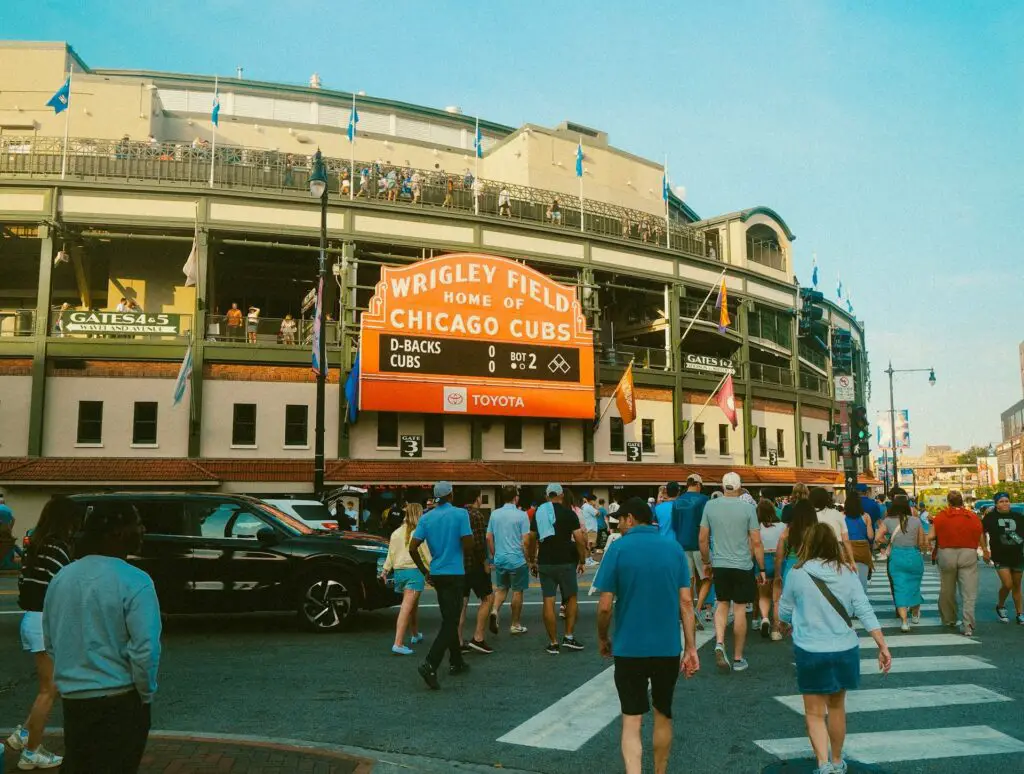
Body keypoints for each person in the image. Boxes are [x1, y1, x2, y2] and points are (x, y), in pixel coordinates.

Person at [44, 500, 162, 773]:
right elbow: (145, 649)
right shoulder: (135, 580)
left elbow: (51, 640)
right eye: (137, 524)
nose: (142, 530)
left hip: (75, 700)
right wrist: (145, 694)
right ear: (117, 533)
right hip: (119, 700)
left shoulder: (62, 578)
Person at [595, 498, 700, 774]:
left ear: (631, 519)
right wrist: (691, 648)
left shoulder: (618, 549)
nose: (618, 525)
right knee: (663, 714)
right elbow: (686, 602)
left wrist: (602, 637)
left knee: (632, 719)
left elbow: (605, 605)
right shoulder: (673, 548)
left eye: (620, 520)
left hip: (629, 647)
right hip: (666, 647)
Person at [778, 523, 892, 774]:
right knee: (837, 707)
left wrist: (785, 623)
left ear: (807, 544)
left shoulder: (797, 573)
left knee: (814, 712)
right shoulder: (847, 573)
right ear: (833, 544)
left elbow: (784, 610)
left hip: (810, 649)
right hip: (844, 649)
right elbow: (864, 609)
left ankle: (823, 764)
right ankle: (838, 761)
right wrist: (882, 645)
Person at [7, 496, 80, 769]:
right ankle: (31, 751)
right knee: (49, 690)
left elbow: (25, 583)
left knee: (52, 687)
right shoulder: (57, 548)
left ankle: (24, 734)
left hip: (33, 618)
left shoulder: (35, 546)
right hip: (45, 621)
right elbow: (66, 586)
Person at [699, 472, 766, 672]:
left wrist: (706, 561)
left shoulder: (710, 506)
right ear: (739, 487)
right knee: (739, 610)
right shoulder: (748, 508)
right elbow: (756, 541)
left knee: (721, 604)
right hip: (743, 565)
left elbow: (703, 538)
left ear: (723, 486)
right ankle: (738, 658)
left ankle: (720, 642)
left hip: (720, 563)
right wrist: (761, 568)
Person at [410, 482, 473, 690]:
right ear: (451, 494)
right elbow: (468, 543)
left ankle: (456, 661)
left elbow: (413, 547)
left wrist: (424, 570)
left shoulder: (426, 517)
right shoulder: (460, 514)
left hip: (437, 572)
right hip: (455, 571)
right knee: (451, 622)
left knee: (449, 617)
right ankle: (430, 663)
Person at [529, 483, 587, 654]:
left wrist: (532, 560)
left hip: (545, 560)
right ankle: (569, 637)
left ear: (547, 496)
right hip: (566, 561)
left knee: (548, 600)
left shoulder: (539, 514)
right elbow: (578, 538)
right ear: (561, 495)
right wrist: (582, 560)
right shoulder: (569, 513)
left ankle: (553, 642)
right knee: (571, 597)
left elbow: (531, 538)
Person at [929, 491, 985, 636]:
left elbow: (931, 536)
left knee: (947, 588)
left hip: (947, 553)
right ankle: (968, 625)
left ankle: (949, 619)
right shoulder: (972, 516)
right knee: (968, 591)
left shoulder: (941, 517)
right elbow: (980, 534)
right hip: (968, 553)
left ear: (948, 502)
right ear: (962, 502)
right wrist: (985, 549)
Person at [382, 503, 430, 655]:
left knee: (412, 605)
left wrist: (385, 570)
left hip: (399, 572)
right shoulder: (419, 532)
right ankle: (398, 643)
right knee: (406, 607)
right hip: (414, 572)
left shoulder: (396, 532)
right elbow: (425, 554)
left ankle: (415, 634)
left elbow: (391, 554)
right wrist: (431, 570)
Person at [875, 494, 927, 631]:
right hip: (914, 556)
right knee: (914, 586)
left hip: (896, 557)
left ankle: (904, 622)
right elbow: (922, 541)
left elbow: (878, 537)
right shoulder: (916, 521)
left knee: (899, 588)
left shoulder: (887, 521)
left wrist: (888, 542)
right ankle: (915, 613)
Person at [486, 486, 531, 635]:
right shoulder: (522, 515)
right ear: (515, 498)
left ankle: (494, 611)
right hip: (517, 559)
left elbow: (489, 537)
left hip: (500, 558)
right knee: (517, 591)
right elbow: (526, 540)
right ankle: (515, 624)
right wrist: (528, 559)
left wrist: (494, 554)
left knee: (501, 589)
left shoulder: (494, 514)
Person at [458, 486, 495, 654]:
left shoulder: (458, 515)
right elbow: (479, 543)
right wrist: (485, 562)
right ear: (477, 498)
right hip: (475, 564)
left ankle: (458, 641)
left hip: (459, 565)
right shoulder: (477, 515)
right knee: (488, 597)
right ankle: (478, 637)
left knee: (462, 603)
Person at [670, 474, 710, 628]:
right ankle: (698, 609)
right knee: (706, 577)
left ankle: (689, 612)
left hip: (682, 544)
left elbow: (674, 525)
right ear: (698, 484)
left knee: (689, 580)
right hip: (699, 543)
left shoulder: (677, 501)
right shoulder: (704, 500)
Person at [982, 492, 1024, 624]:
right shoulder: (990, 517)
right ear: (996, 504)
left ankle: (1020, 613)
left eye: (1006, 501)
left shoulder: (1018, 517)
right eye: (1001, 501)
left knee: (1017, 585)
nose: (1005, 503)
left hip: (1017, 555)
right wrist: (985, 549)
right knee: (1008, 584)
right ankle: (1000, 606)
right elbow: (981, 532)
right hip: (1000, 555)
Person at [756, 498, 786, 639]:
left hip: (762, 559)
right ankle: (775, 630)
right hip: (779, 559)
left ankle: (764, 618)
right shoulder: (782, 526)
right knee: (777, 598)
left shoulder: (757, 528)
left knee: (763, 595)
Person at [809, 487, 856, 571]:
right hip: (837, 553)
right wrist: (852, 561)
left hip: (815, 554)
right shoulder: (837, 514)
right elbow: (846, 540)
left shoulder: (810, 515)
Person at [842, 493, 874, 592]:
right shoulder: (866, 516)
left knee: (847, 582)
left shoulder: (842, 516)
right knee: (862, 582)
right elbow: (870, 536)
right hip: (862, 549)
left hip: (847, 549)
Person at [581, 493, 600, 565]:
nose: (595, 502)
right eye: (594, 501)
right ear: (591, 500)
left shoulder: (584, 506)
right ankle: (587, 560)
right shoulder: (589, 507)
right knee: (589, 545)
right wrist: (595, 507)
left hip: (587, 528)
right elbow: (597, 513)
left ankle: (589, 559)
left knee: (588, 544)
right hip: (591, 528)